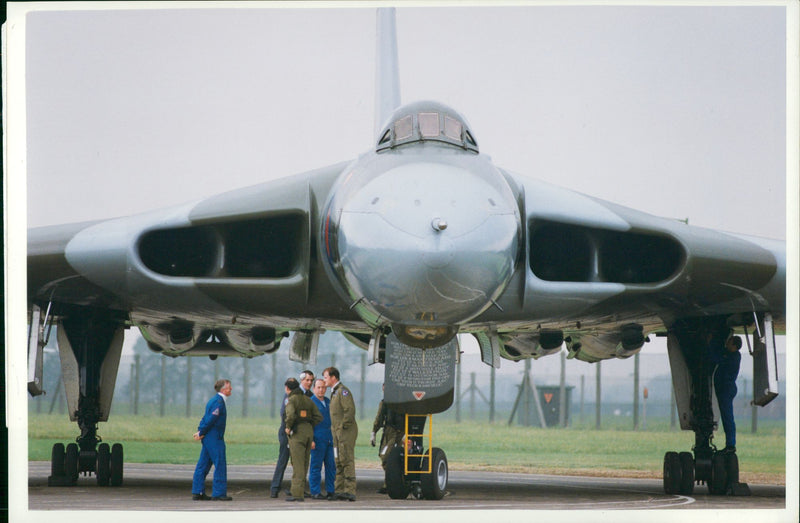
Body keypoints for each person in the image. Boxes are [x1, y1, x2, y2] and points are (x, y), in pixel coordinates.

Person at [191, 379, 232, 501]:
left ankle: (197, 491)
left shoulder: (213, 400)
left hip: (208, 437)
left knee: (203, 464)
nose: (231, 389)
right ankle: (219, 493)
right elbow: (211, 420)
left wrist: (200, 431)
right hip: (214, 438)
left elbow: (205, 418)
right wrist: (201, 432)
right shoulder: (218, 402)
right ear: (223, 389)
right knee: (220, 464)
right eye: (229, 387)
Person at [284, 377, 322, 502]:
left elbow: (290, 415)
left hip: (297, 433)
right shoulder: (308, 400)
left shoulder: (291, 400)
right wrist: (309, 424)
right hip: (308, 432)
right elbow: (318, 417)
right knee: (305, 462)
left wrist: (289, 427)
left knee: (297, 464)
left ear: (288, 389)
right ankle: (300, 491)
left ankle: (297, 494)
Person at [323, 366, 358, 501]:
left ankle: (350, 490)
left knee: (347, 459)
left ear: (333, 377)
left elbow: (349, 410)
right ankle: (339, 490)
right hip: (336, 433)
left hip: (345, 433)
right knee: (338, 460)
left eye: (326, 377)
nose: (325, 380)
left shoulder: (343, 392)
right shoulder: (334, 392)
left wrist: (343, 428)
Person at [370, 385, 406, 494]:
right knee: (385, 457)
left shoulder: (404, 402)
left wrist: (407, 432)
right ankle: (390, 483)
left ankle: (395, 483)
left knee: (396, 458)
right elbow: (379, 418)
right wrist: (374, 432)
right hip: (390, 432)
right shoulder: (385, 402)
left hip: (401, 432)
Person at [711, 334, 742, 452]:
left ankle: (731, 445)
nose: (726, 344)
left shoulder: (731, 357)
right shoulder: (733, 355)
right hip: (726, 389)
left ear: (734, 345)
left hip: (726, 389)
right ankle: (730, 444)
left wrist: (711, 342)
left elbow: (715, 358)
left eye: (729, 342)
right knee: (727, 417)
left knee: (728, 417)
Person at [309, 378, 336, 500]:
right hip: (317, 439)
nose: (321, 390)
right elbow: (308, 423)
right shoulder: (310, 403)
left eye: (323, 387)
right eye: (318, 387)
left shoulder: (328, 401)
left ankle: (331, 490)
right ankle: (315, 491)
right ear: (314, 389)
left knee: (331, 466)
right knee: (316, 466)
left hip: (329, 439)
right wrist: (311, 440)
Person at [270, 383, 291, 498]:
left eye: (311, 380)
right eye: (307, 380)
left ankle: (297, 488)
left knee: (299, 464)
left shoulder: (309, 395)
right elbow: (284, 414)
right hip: (287, 432)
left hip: (298, 434)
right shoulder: (289, 396)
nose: (309, 382)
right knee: (283, 460)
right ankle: (275, 488)